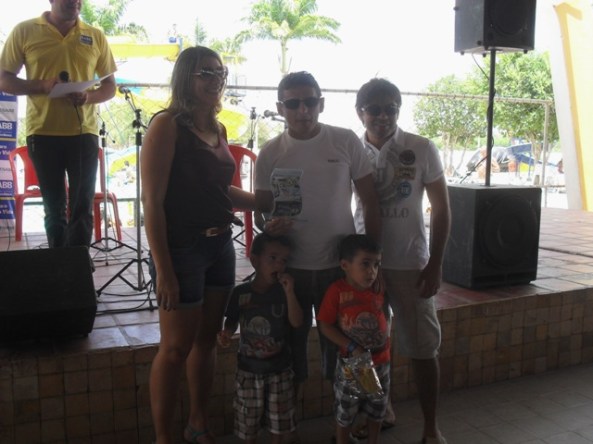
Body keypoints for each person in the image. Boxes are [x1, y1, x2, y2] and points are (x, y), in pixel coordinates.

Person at [140, 46, 256, 444]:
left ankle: (197, 424)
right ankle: (164, 438)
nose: (215, 80)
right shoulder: (167, 125)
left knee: (206, 342)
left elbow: (219, 190)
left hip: (220, 246)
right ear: (185, 77)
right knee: (175, 348)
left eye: (220, 73)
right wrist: (164, 269)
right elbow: (152, 202)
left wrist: (265, 201)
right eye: (205, 72)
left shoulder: (218, 128)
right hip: (181, 249)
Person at [254, 71, 381, 403]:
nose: (303, 110)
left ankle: (353, 417)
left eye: (310, 102)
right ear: (280, 108)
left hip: (339, 269)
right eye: (293, 103)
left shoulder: (345, 140)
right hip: (290, 271)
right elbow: (261, 214)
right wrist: (269, 226)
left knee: (345, 349)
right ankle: (287, 422)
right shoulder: (270, 152)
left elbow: (370, 200)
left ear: (321, 104)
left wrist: (372, 263)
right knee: (288, 352)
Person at [354, 78, 451, 444]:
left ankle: (431, 427)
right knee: (368, 347)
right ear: (360, 112)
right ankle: (382, 411)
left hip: (412, 266)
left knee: (424, 349)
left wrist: (435, 263)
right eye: (374, 109)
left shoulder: (421, 148)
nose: (383, 116)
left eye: (391, 109)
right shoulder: (351, 150)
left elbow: (441, 209)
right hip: (365, 269)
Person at [0, 0, 117, 249]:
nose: (75, 1)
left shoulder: (95, 35)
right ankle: (58, 264)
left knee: (82, 207)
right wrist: (41, 85)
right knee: (54, 209)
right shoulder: (25, 30)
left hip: (84, 132)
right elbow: (4, 79)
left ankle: (78, 264)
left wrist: (88, 97)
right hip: (42, 133)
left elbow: (109, 87)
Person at [217, 232, 303, 444]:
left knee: (279, 423)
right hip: (248, 371)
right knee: (248, 423)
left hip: (280, 370)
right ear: (255, 260)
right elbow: (232, 320)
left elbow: (297, 322)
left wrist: (290, 292)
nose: (279, 265)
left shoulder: (284, 292)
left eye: (283, 260)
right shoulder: (241, 293)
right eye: (272, 258)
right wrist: (227, 332)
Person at [317, 234, 390, 444]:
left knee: (377, 408)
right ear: (345, 265)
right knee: (347, 410)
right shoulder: (337, 291)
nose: (372, 271)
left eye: (376, 264)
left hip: (380, 361)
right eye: (365, 264)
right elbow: (325, 325)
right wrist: (352, 346)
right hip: (354, 363)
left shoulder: (378, 288)